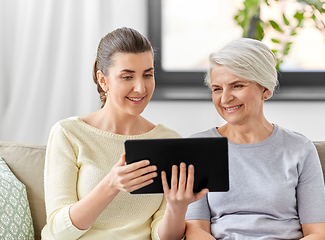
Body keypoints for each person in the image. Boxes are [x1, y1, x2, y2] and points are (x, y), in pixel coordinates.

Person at [41, 27, 207, 240]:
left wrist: (177, 208)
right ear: (103, 81)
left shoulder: (168, 141)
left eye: (148, 75)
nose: (140, 88)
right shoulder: (69, 134)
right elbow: (56, 232)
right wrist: (110, 185)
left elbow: (164, 236)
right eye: (127, 77)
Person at [184, 38, 325, 240]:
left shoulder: (300, 148)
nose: (225, 98)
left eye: (237, 86)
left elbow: (318, 233)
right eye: (217, 88)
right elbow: (195, 229)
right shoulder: (198, 147)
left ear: (265, 89)